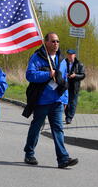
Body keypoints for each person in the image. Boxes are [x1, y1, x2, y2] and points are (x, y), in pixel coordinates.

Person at [22, 32, 78, 169]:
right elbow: (30, 75)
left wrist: (64, 100)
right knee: (36, 127)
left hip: (57, 101)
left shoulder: (62, 60)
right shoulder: (37, 57)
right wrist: (48, 74)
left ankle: (63, 159)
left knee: (58, 129)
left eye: (57, 41)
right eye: (53, 41)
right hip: (42, 101)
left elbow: (64, 81)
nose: (56, 44)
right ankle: (29, 153)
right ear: (45, 42)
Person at [64, 49, 85, 124]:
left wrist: (75, 75)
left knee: (73, 102)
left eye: (71, 54)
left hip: (74, 86)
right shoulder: (63, 62)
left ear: (74, 55)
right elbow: (59, 71)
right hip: (65, 85)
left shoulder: (79, 64)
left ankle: (69, 117)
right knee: (66, 101)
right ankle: (67, 115)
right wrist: (64, 75)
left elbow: (83, 75)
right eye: (68, 54)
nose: (70, 56)